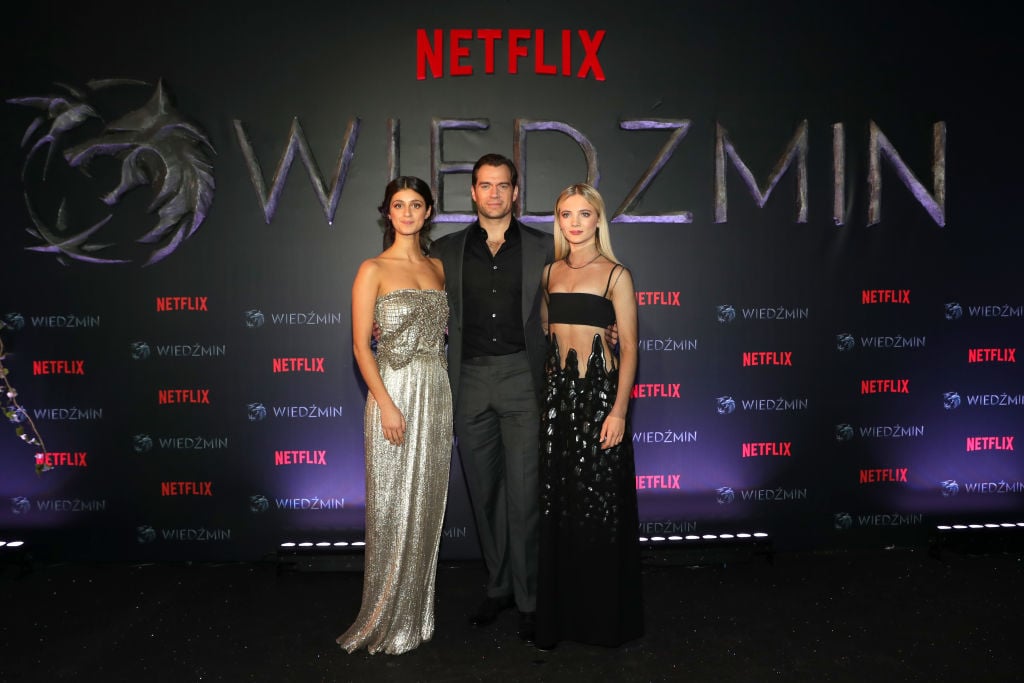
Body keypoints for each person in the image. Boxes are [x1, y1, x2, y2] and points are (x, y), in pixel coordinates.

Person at [430, 154, 553, 643]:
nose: (495, 193)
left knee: (524, 495)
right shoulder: (446, 250)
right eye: (486, 185)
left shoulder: (546, 246)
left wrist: (604, 327)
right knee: (485, 494)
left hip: (523, 377)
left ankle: (530, 598)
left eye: (503, 185)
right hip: (470, 380)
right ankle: (499, 587)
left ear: (516, 192)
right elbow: (416, 298)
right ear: (473, 192)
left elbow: (569, 299)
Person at [337, 176, 452, 655]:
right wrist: (385, 403)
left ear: (428, 213)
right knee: (391, 506)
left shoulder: (438, 268)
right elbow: (361, 346)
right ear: (387, 212)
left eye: (416, 205)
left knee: (426, 504)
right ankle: (385, 616)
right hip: (393, 391)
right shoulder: (372, 269)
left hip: (437, 391)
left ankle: (415, 614)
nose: (407, 213)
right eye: (399, 205)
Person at [535, 183, 643, 649]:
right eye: (566, 214)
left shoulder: (616, 275)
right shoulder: (549, 273)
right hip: (558, 403)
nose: (574, 223)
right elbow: (546, 329)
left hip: (600, 401)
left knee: (600, 507)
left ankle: (602, 621)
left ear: (598, 219)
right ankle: (563, 618)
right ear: (558, 220)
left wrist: (618, 410)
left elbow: (631, 348)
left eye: (584, 213)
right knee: (561, 506)